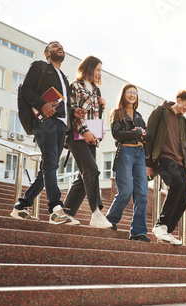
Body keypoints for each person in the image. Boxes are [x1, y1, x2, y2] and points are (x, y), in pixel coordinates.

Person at [10, 41, 79, 225]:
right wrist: (42, 105)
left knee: (48, 167)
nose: (60, 47)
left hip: (60, 125)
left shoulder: (64, 78)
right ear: (47, 53)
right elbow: (26, 90)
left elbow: (63, 105)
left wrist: (73, 116)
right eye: (55, 46)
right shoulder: (39, 67)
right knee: (50, 164)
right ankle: (56, 209)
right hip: (45, 121)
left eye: (62, 46)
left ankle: (21, 206)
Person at [62, 56, 113, 228]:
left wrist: (102, 106)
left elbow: (94, 116)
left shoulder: (96, 90)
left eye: (101, 70)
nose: (100, 73)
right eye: (98, 69)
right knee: (91, 170)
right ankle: (96, 213)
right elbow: (75, 112)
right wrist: (86, 132)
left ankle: (65, 213)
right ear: (89, 68)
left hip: (91, 137)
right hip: (77, 135)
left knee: (84, 176)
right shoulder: (75, 86)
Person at [146, 89, 186, 246]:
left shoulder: (184, 121)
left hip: (180, 163)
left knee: (184, 197)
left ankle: (166, 231)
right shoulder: (161, 112)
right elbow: (149, 136)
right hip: (163, 158)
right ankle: (160, 224)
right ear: (179, 99)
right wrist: (148, 162)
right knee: (176, 184)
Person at [106, 84, 151, 241]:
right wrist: (135, 133)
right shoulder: (117, 113)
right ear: (123, 94)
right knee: (125, 191)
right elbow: (116, 134)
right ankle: (110, 220)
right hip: (125, 152)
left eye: (135, 93)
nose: (132, 95)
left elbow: (147, 133)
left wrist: (144, 132)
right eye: (129, 92)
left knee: (143, 194)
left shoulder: (138, 115)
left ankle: (138, 232)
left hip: (140, 154)